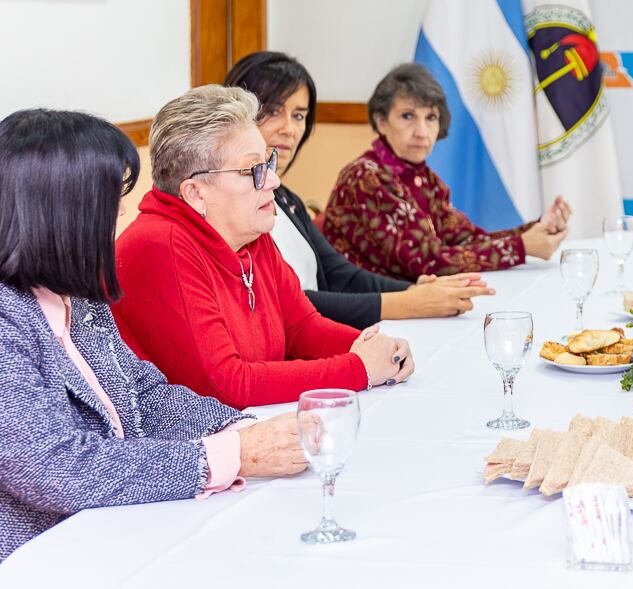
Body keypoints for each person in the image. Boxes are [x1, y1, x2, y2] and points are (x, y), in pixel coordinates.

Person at [0, 109, 309, 562]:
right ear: (57, 211)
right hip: (36, 568)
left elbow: (144, 393)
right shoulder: (7, 320)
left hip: (111, 533)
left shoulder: (78, 298)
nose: (121, 211)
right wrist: (224, 457)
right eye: (107, 200)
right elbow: (56, 467)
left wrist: (239, 429)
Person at [112, 86, 415, 409]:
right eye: (252, 170)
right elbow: (227, 385)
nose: (273, 181)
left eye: (268, 163)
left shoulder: (248, 231)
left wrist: (371, 347)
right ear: (196, 193)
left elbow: (301, 327)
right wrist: (357, 368)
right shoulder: (158, 247)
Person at [224, 51, 495, 325]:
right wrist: (406, 302)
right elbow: (285, 303)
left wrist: (413, 291)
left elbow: (339, 274)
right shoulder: (230, 207)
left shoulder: (285, 198)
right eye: (272, 111)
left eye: (298, 115)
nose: (289, 129)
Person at [322, 63, 571, 281]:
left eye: (431, 117)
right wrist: (522, 246)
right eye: (408, 116)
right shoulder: (366, 178)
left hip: (412, 304)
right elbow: (428, 263)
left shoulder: (424, 179)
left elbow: (467, 239)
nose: (422, 131)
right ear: (381, 122)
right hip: (368, 318)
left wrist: (535, 230)